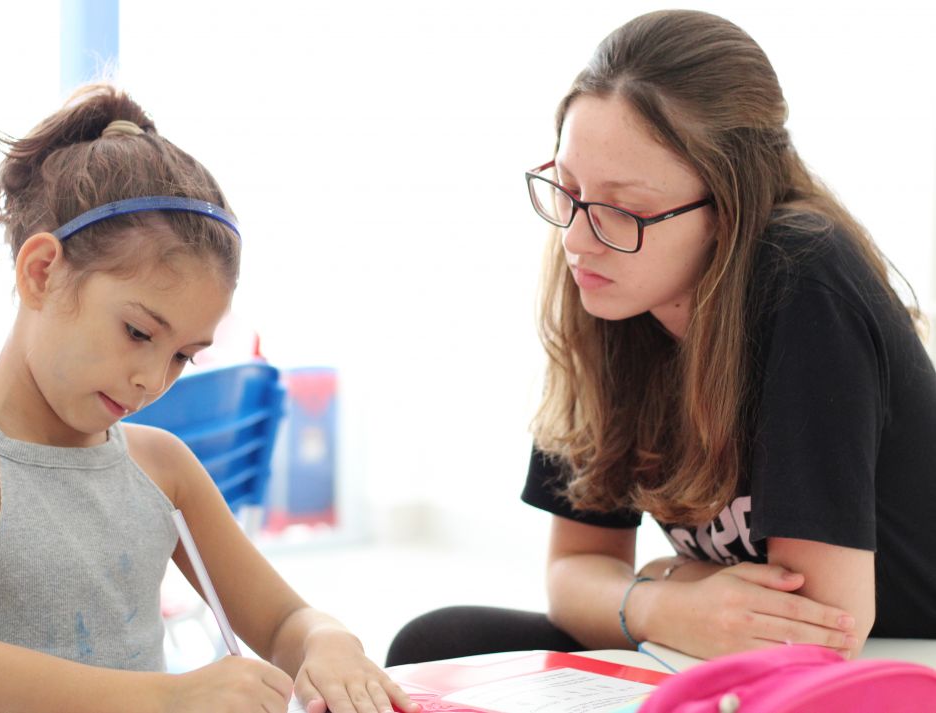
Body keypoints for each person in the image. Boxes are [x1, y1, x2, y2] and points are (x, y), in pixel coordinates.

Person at [387, 9, 936, 667]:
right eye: (567, 188)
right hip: (713, 639)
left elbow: (818, 623)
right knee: (435, 643)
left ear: (732, 206)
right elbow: (574, 568)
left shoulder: (803, 273)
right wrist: (656, 600)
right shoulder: (604, 279)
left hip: (892, 653)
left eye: (627, 209)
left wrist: (659, 576)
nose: (576, 237)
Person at [0, 83, 417, 713]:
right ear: (42, 272)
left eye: (183, 354)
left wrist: (328, 643)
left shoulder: (163, 466)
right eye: (138, 333)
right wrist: (171, 696)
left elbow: (284, 619)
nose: (154, 381)